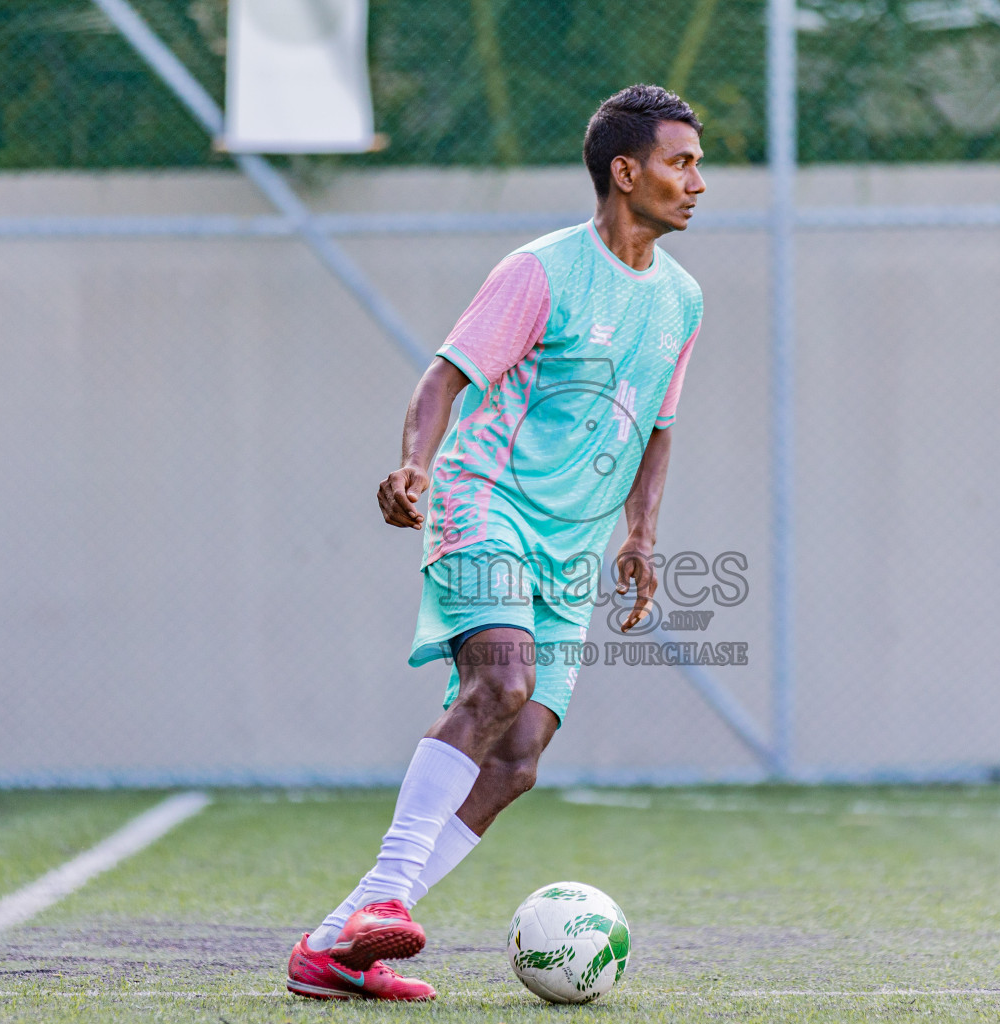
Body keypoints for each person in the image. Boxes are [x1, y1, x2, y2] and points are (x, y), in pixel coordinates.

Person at [285, 83, 706, 1001]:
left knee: (521, 755)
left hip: (573, 545)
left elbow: (658, 426)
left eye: (697, 165)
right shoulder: (541, 271)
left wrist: (642, 532)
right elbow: (443, 379)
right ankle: (386, 901)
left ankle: (331, 946)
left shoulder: (681, 298)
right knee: (502, 681)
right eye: (681, 162)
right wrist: (414, 466)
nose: (696, 182)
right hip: (487, 503)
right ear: (625, 172)